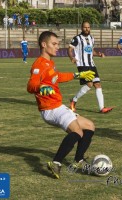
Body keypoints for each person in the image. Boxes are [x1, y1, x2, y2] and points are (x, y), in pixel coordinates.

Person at [27, 31, 96, 179]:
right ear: (44, 45)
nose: (58, 47)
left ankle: (78, 160)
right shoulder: (39, 64)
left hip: (57, 106)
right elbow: (31, 85)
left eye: (58, 44)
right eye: (54, 44)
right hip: (50, 109)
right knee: (77, 132)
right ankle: (56, 162)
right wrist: (40, 88)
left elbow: (57, 77)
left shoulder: (49, 63)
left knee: (89, 126)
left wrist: (77, 75)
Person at [68, 21, 113, 113]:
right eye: (85, 27)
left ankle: (102, 108)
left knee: (97, 84)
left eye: (88, 27)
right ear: (81, 28)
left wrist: (99, 54)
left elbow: (91, 51)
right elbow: (70, 49)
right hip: (82, 64)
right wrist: (72, 57)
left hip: (91, 64)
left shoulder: (91, 38)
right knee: (89, 84)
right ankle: (74, 100)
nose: (87, 29)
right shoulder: (77, 38)